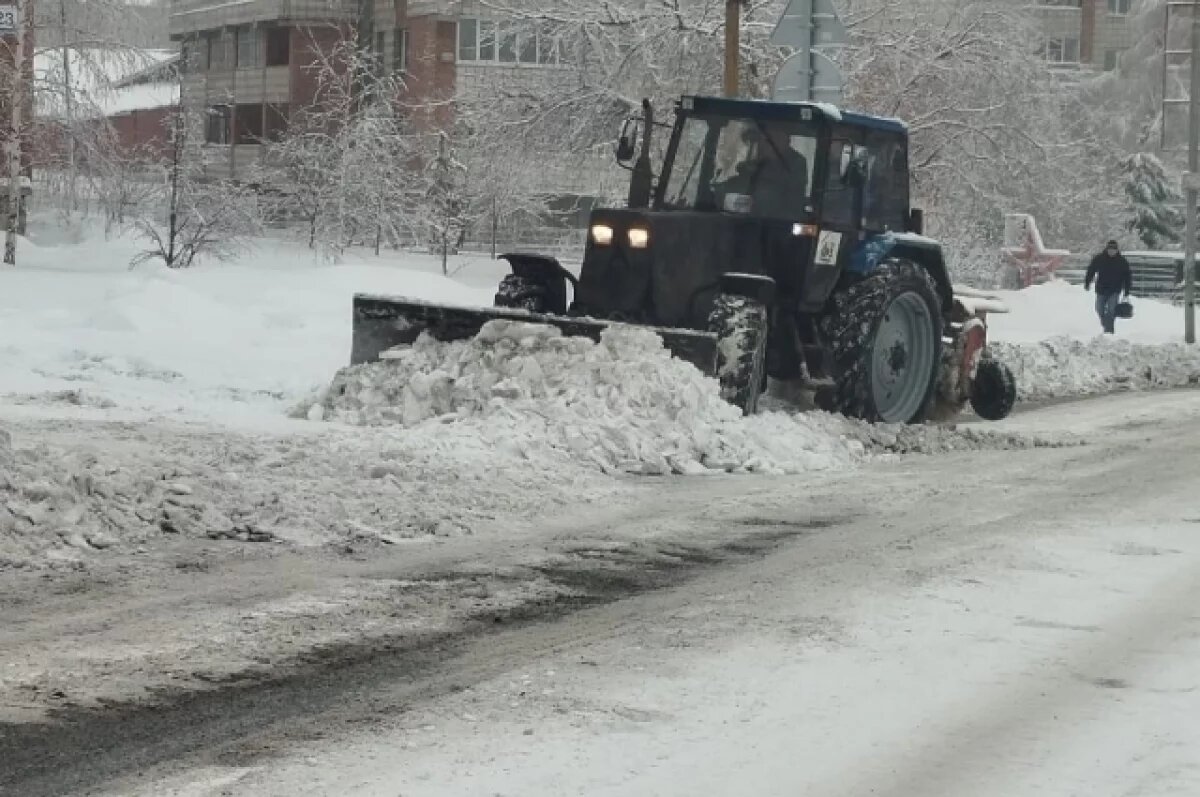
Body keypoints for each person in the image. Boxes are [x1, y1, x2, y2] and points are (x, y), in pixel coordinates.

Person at [720, 124, 809, 217]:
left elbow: (791, 200)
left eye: (768, 139)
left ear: (786, 140)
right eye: (758, 140)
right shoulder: (751, 166)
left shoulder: (795, 164)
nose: (761, 144)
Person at [1084, 239, 1132, 334]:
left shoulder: (1122, 262)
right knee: (1099, 309)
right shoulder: (1099, 259)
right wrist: (1087, 282)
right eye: (1110, 249)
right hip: (1101, 289)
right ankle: (1105, 324)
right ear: (1107, 249)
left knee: (1111, 310)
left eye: (1113, 250)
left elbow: (1127, 277)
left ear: (1117, 250)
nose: (1111, 251)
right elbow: (1091, 270)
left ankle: (1109, 330)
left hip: (1115, 289)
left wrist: (1126, 291)